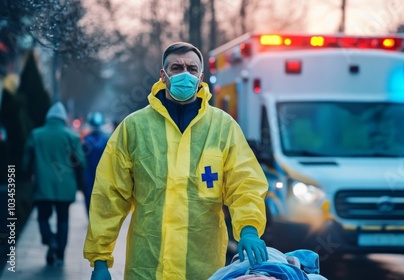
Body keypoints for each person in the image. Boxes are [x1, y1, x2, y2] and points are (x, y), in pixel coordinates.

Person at [84, 42, 269, 280]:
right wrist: (100, 260)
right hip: (148, 266)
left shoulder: (223, 127)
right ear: (163, 75)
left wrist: (249, 229)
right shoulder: (135, 128)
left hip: (202, 267)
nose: (185, 74)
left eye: (192, 69)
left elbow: (245, 183)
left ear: (201, 77)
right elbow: (109, 196)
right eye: (176, 67)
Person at [23, 101, 86, 266]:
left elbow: (26, 163)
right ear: (63, 119)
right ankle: (60, 254)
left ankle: (50, 240)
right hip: (65, 187)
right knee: (63, 219)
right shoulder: (71, 136)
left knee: (43, 217)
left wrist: (28, 175)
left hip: (42, 186)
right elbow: (81, 162)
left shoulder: (35, 135)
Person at [82, 111, 109, 215]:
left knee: (89, 196)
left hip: (89, 173)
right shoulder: (106, 139)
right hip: (103, 174)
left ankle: (91, 216)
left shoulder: (86, 140)